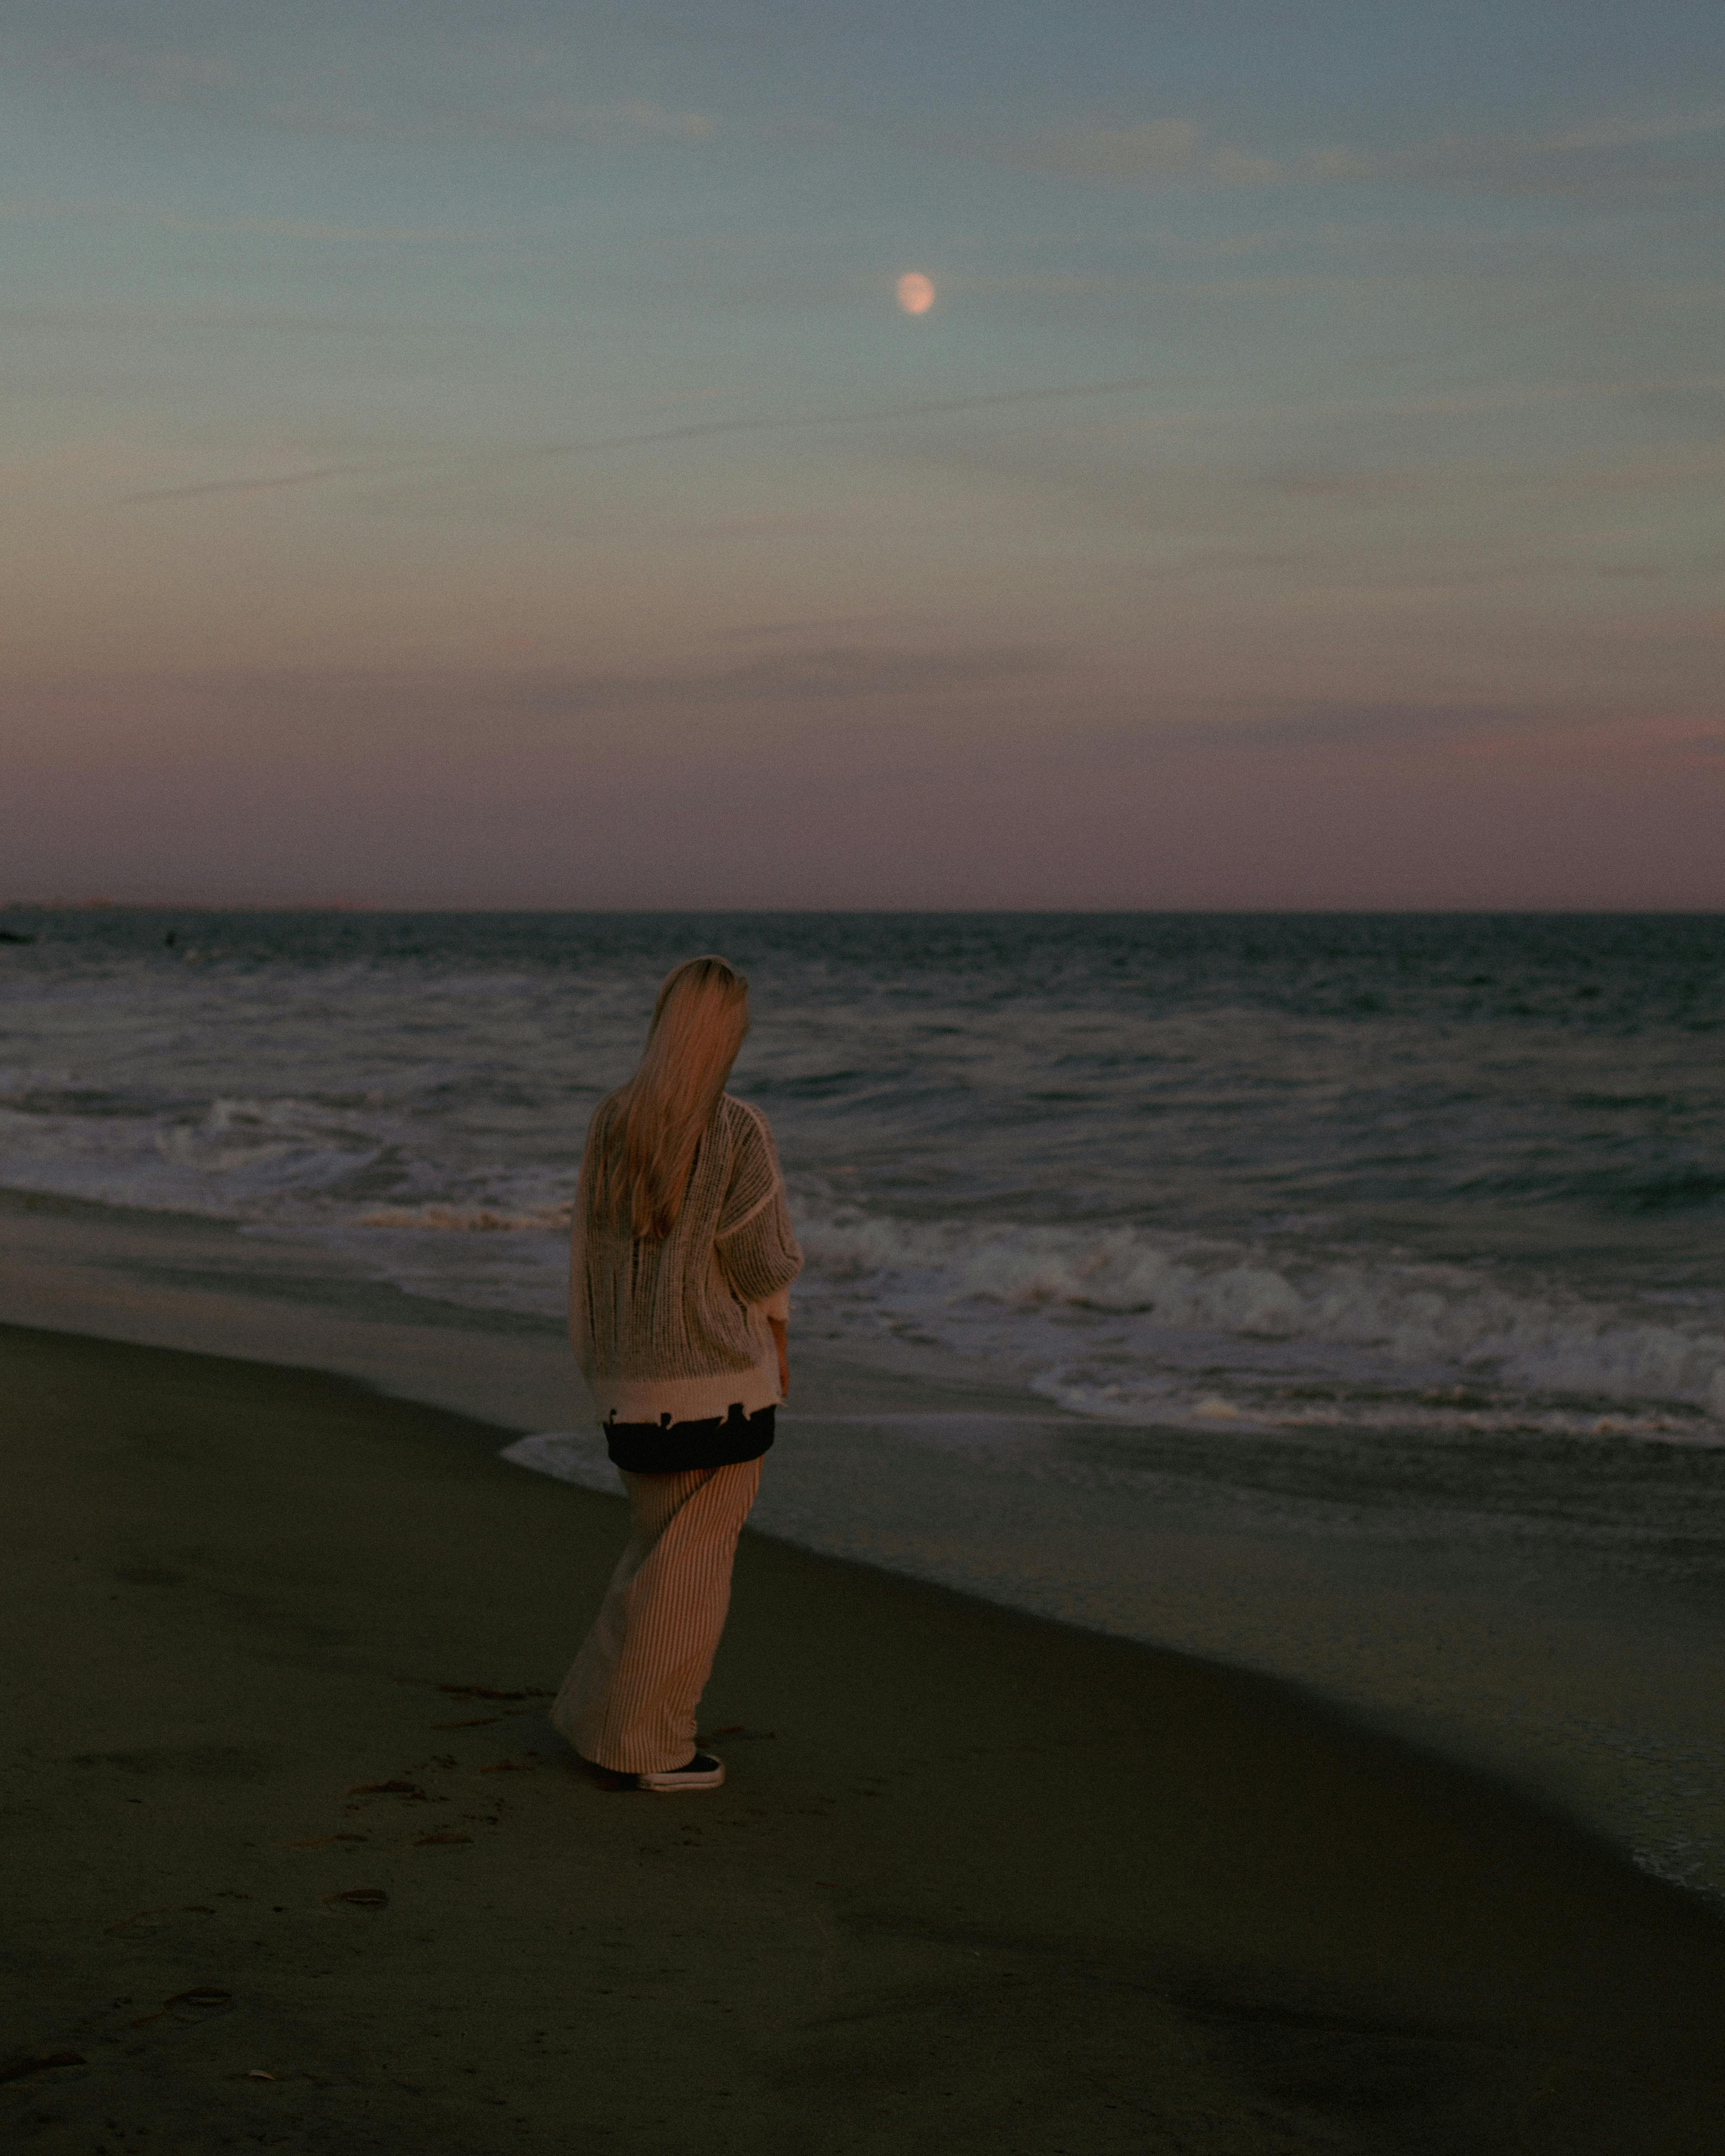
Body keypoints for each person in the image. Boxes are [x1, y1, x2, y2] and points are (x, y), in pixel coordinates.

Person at [550, 956, 802, 1793]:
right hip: (715, 1389)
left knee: (655, 1555)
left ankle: (599, 1719)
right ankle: (654, 1744)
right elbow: (762, 1260)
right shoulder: (735, 1130)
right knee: (691, 1576)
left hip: (631, 1385)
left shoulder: (609, 1123)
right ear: (728, 1035)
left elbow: (589, 1256)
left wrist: (600, 1368)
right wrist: (781, 1337)